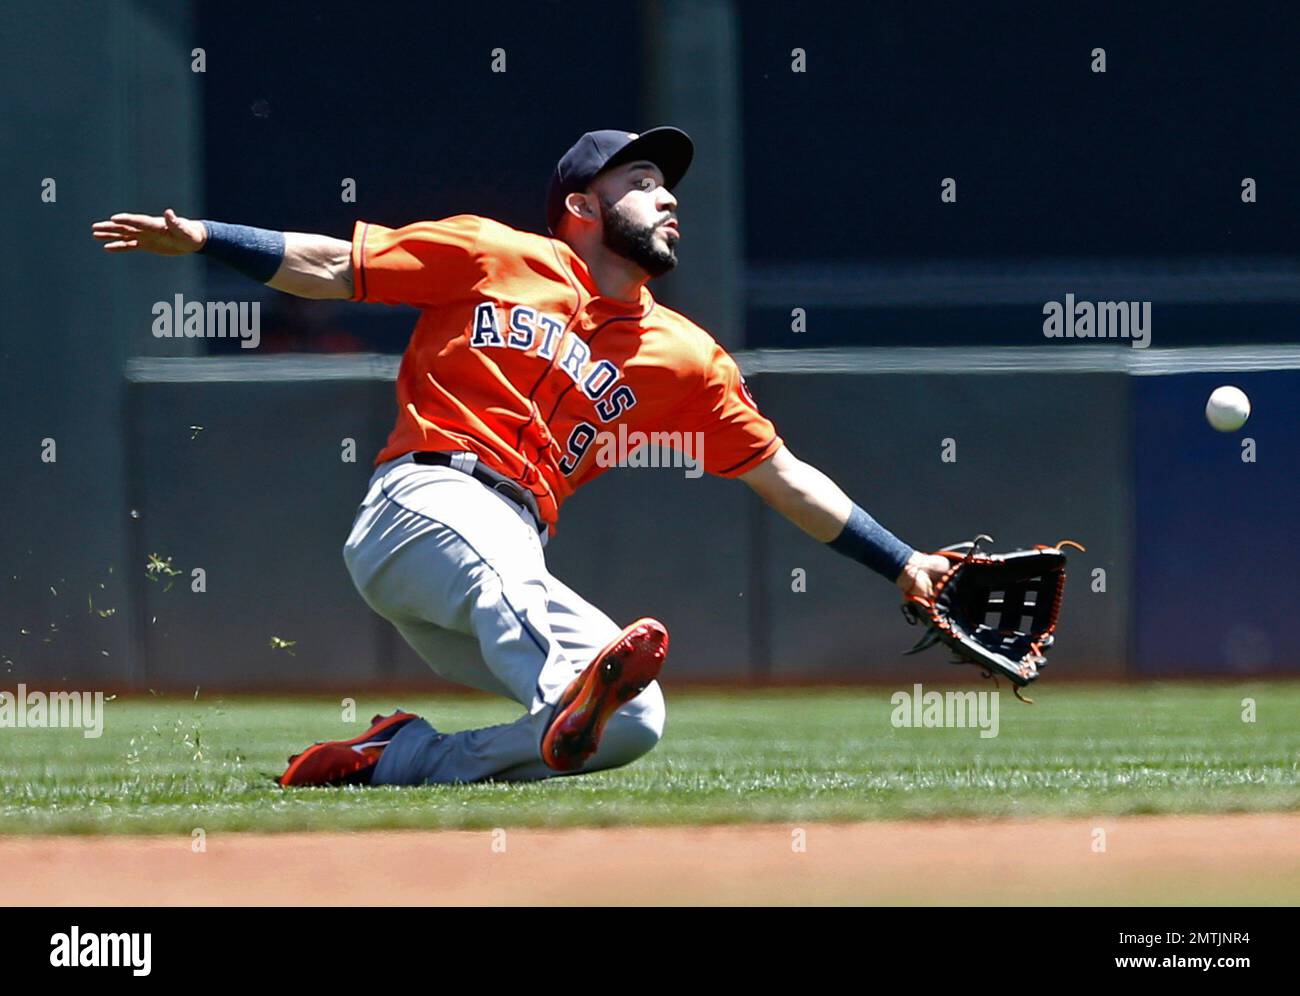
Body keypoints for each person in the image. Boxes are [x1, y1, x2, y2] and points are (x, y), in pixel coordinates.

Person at [91, 127, 950, 787]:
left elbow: (785, 477)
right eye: (643, 183)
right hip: (426, 506)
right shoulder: (495, 255)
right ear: (582, 206)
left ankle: (403, 756)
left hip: (506, 557)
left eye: (669, 187)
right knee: (571, 675)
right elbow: (333, 265)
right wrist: (207, 237)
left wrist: (903, 561)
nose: (667, 199)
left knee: (634, 722)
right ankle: (570, 690)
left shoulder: (686, 357)